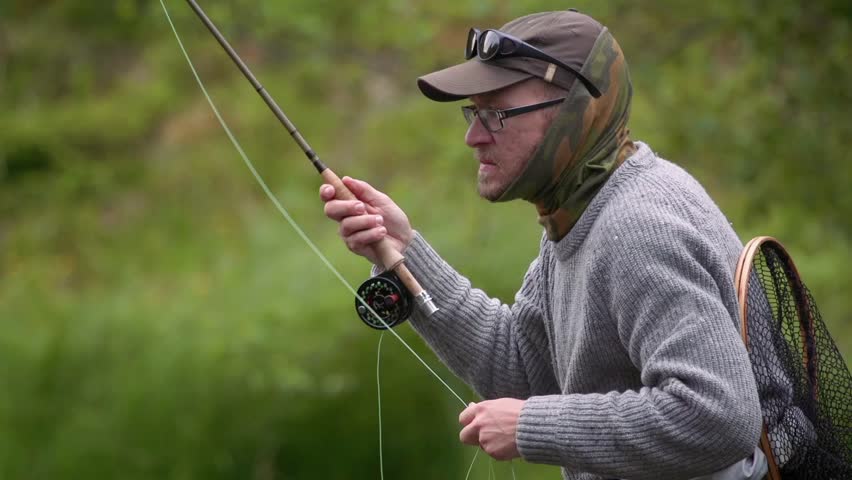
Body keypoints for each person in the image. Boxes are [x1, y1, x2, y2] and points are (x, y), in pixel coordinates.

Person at [320, 9, 769, 480]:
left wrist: (530, 425)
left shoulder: (639, 226)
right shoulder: (577, 212)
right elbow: (526, 369)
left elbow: (717, 414)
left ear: (572, 111)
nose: (473, 137)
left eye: (495, 114)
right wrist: (403, 251)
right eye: (474, 112)